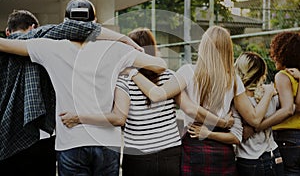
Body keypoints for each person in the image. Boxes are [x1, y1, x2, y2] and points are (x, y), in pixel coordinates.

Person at [0, 0, 168, 176]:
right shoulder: (115, 49)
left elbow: (5, 44)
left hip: (70, 142)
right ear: (95, 23)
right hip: (107, 143)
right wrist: (128, 69)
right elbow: (159, 65)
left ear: (66, 24)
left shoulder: (49, 47)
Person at [59, 27, 235, 176]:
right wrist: (221, 121)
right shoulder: (170, 76)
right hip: (171, 153)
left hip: (139, 156)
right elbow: (189, 107)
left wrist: (79, 117)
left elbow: (119, 118)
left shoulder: (123, 81)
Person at [129, 25, 276, 175]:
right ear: (228, 50)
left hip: (194, 143)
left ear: (203, 46)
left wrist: (133, 72)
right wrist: (268, 93)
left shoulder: (188, 72)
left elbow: (157, 95)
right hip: (223, 149)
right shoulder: (234, 80)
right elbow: (254, 119)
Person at [0, 10, 56, 176]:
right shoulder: (45, 48)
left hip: (4, 138)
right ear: (33, 28)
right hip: (40, 136)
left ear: (8, 31)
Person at [253, 32, 300, 175]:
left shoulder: (283, 76)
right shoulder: (297, 76)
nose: (272, 57)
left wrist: (260, 126)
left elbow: (288, 110)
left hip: (287, 138)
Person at [232, 52, 284, 176]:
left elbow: (242, 133)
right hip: (273, 154)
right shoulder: (270, 94)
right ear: (262, 73)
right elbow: (289, 108)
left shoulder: (236, 98)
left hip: (249, 159)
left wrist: (253, 129)